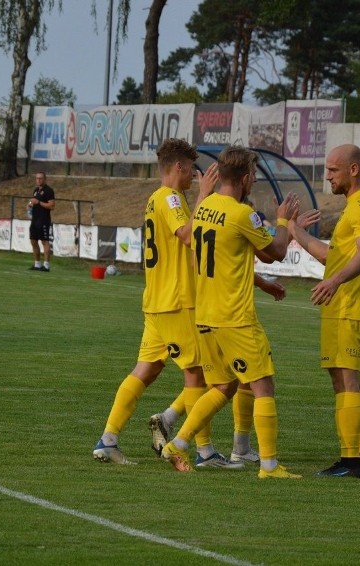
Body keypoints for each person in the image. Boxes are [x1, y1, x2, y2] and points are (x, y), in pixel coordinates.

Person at [93, 138, 240, 470]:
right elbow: (187, 235)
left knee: (146, 369)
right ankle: (203, 452)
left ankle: (109, 439)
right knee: (196, 374)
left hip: (157, 302)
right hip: (176, 302)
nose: (194, 177)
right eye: (191, 171)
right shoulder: (171, 197)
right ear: (179, 168)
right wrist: (205, 194)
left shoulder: (156, 199)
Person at [160, 145, 302, 479]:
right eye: (253, 174)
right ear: (244, 177)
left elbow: (232, 255)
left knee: (222, 387)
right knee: (263, 385)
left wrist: (262, 282)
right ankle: (269, 466)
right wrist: (283, 220)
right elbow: (277, 251)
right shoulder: (242, 213)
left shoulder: (206, 206)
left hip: (205, 315)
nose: (254, 180)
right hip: (235, 317)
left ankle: (178, 444)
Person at [287, 144, 360, 478]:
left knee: (348, 379)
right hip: (343, 304)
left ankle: (350, 461)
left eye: (332, 170)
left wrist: (336, 282)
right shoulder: (356, 206)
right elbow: (333, 257)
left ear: (353, 170)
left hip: (350, 304)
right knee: (343, 380)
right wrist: (295, 231)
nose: (327, 176)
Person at [147, 272, 288, 465]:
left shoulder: (195, 240)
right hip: (228, 310)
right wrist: (265, 281)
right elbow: (272, 253)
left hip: (201, 309)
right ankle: (260, 462)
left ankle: (177, 431)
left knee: (225, 383)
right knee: (255, 381)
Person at [28, 172, 55, 272]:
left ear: (45, 179)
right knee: (33, 241)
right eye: (37, 178)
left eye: (40, 178)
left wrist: (39, 202)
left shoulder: (48, 191)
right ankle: (37, 264)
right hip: (35, 219)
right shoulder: (35, 191)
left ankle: (46, 265)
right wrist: (30, 204)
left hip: (43, 220)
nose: (38, 180)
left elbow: (52, 206)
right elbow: (33, 201)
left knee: (45, 241)